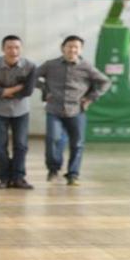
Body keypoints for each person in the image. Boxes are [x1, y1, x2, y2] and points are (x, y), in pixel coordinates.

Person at [36, 35, 111, 186]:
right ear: (63, 48)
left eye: (76, 47)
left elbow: (105, 82)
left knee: (77, 144)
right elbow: (33, 77)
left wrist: (90, 98)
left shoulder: (87, 67)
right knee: (53, 139)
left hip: (77, 110)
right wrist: (45, 89)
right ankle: (53, 169)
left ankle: (73, 174)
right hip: (54, 109)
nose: (72, 49)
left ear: (80, 50)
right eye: (69, 46)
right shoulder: (50, 65)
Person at [0, 35, 37, 190]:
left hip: (21, 111)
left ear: (21, 49)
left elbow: (28, 91)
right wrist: (17, 87)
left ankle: (19, 178)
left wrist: (3, 90)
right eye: (9, 47)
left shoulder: (30, 66)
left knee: (21, 145)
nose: (13, 51)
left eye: (17, 47)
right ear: (3, 49)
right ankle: (4, 179)